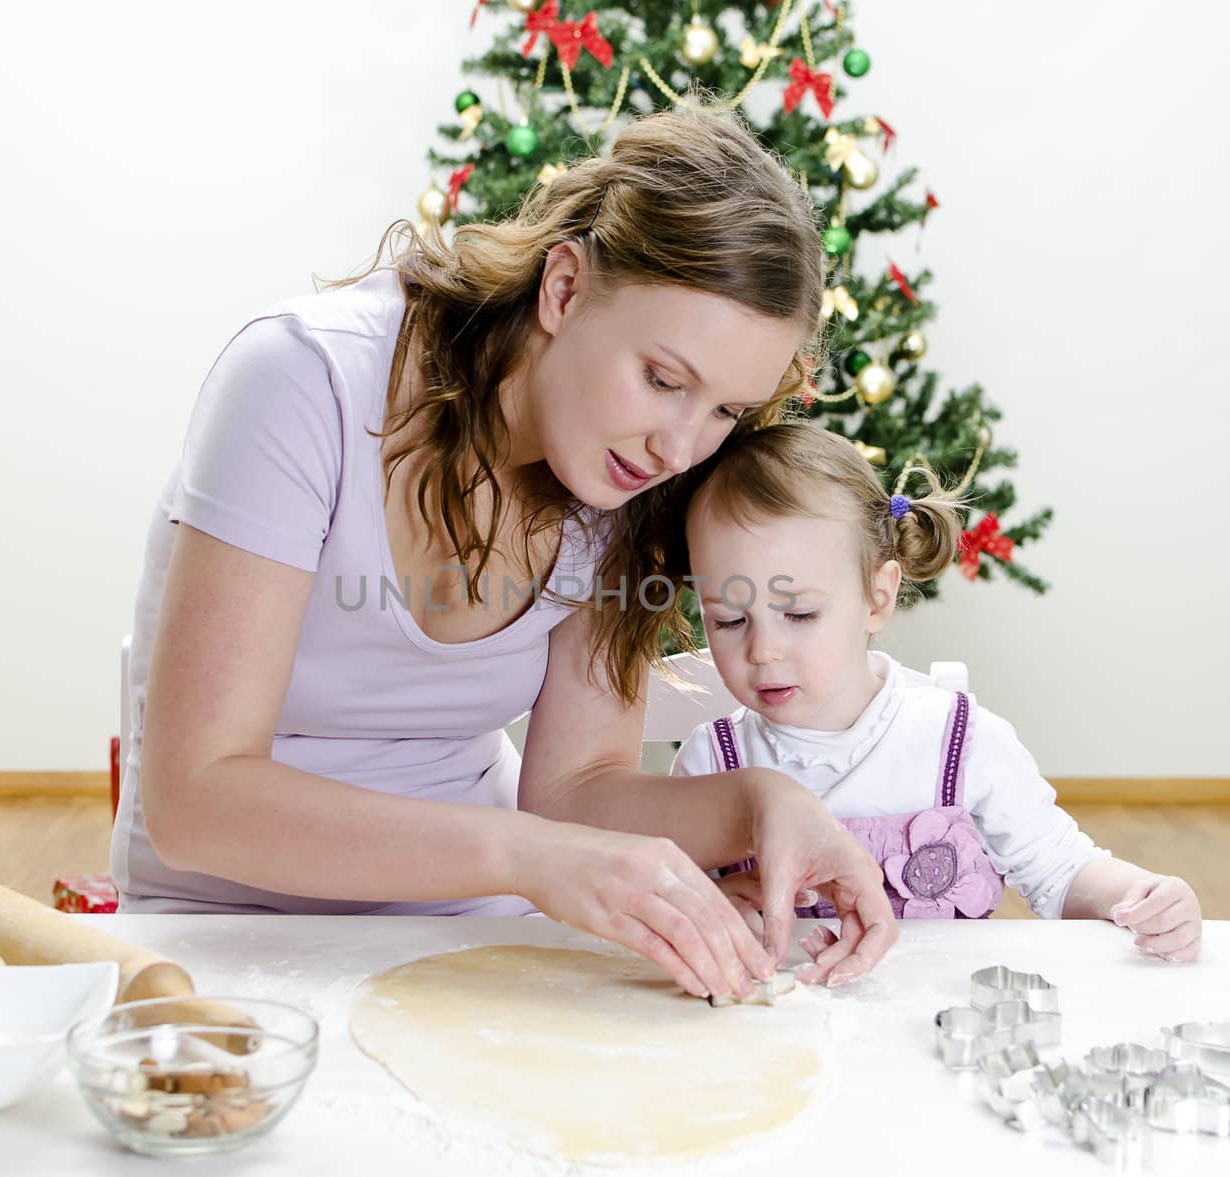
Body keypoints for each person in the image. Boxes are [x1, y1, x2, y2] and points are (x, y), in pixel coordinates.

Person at [111, 107, 898, 1001]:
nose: (680, 449)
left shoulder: (619, 481)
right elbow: (194, 800)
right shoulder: (303, 381)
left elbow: (575, 793)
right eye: (664, 379)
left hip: (478, 928)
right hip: (220, 942)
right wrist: (529, 860)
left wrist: (761, 804)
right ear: (564, 288)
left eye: (723, 412)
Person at [673, 424, 1204, 963]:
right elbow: (672, 903)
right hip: (775, 1029)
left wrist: (1137, 897)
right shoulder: (710, 762)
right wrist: (716, 905)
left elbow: (1061, 871)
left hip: (938, 1026)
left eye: (800, 614)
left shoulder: (959, 740)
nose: (763, 650)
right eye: (729, 620)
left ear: (877, 599)